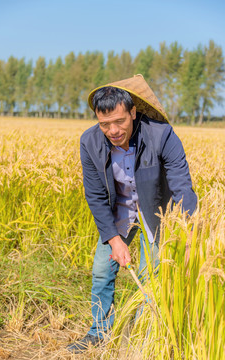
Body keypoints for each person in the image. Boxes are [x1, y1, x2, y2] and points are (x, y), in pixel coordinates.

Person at [66, 75, 197, 354]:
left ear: (133, 113)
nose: (112, 130)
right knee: (102, 270)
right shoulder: (89, 142)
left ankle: (142, 336)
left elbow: (182, 186)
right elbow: (96, 196)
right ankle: (98, 332)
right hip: (119, 211)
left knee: (150, 275)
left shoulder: (162, 135)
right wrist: (114, 239)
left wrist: (188, 232)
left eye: (119, 121)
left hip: (157, 210)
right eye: (104, 124)